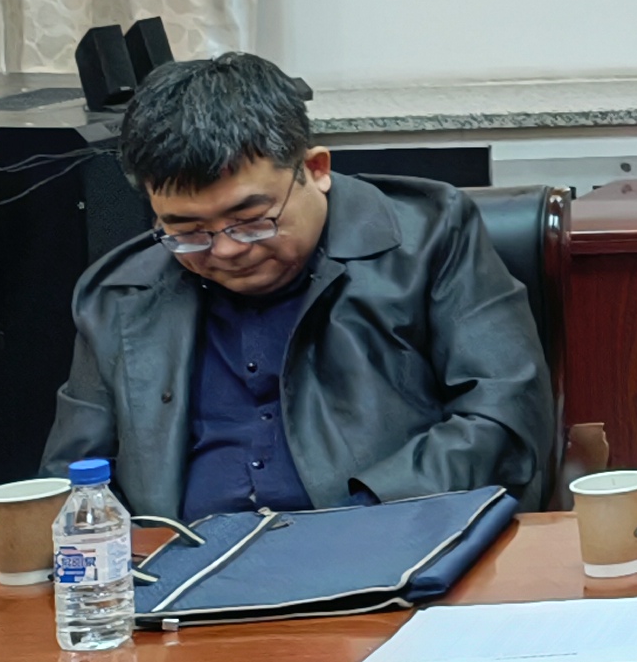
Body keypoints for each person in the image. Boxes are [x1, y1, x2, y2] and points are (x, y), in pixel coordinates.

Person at [45, 51, 552, 520]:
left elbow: (501, 420)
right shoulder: (119, 294)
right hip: (177, 570)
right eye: (188, 231)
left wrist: (361, 520)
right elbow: (71, 483)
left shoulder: (430, 237)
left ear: (315, 169)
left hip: (387, 548)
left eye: (251, 221)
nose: (225, 249)